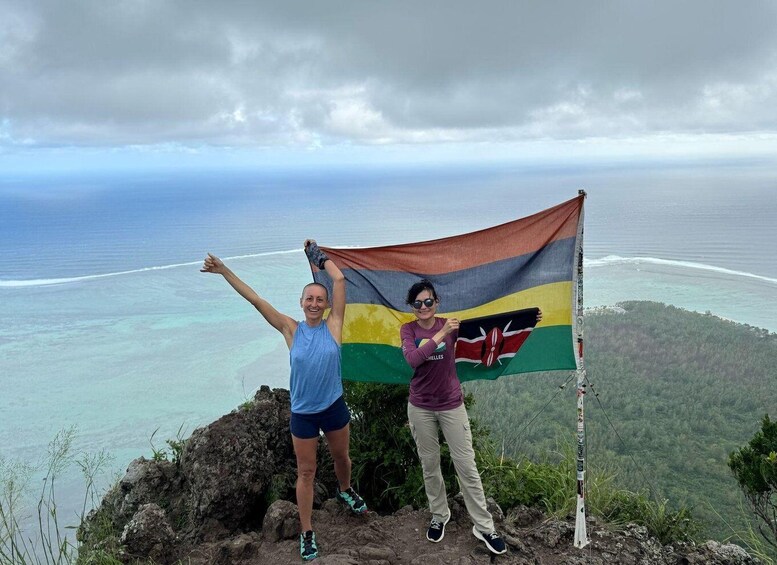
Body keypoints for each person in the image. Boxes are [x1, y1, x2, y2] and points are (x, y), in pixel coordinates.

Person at [201, 240, 367, 562]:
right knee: (306, 472)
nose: (315, 303)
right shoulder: (291, 329)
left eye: (319, 299)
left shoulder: (334, 325)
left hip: (333, 406)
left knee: (342, 458)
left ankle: (345, 489)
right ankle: (307, 532)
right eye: (309, 299)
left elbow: (339, 279)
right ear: (301, 303)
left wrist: (316, 255)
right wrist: (223, 271)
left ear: (326, 304)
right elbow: (255, 300)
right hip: (303, 414)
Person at [400, 279, 541, 555]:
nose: (423, 307)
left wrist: (526, 319)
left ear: (437, 302)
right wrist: (441, 335)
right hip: (420, 406)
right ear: (412, 307)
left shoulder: (452, 326)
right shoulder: (409, 330)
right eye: (417, 303)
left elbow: (488, 328)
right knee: (430, 464)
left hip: (451, 404)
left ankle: (484, 526)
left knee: (466, 465)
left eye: (428, 301)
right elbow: (413, 359)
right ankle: (439, 515)